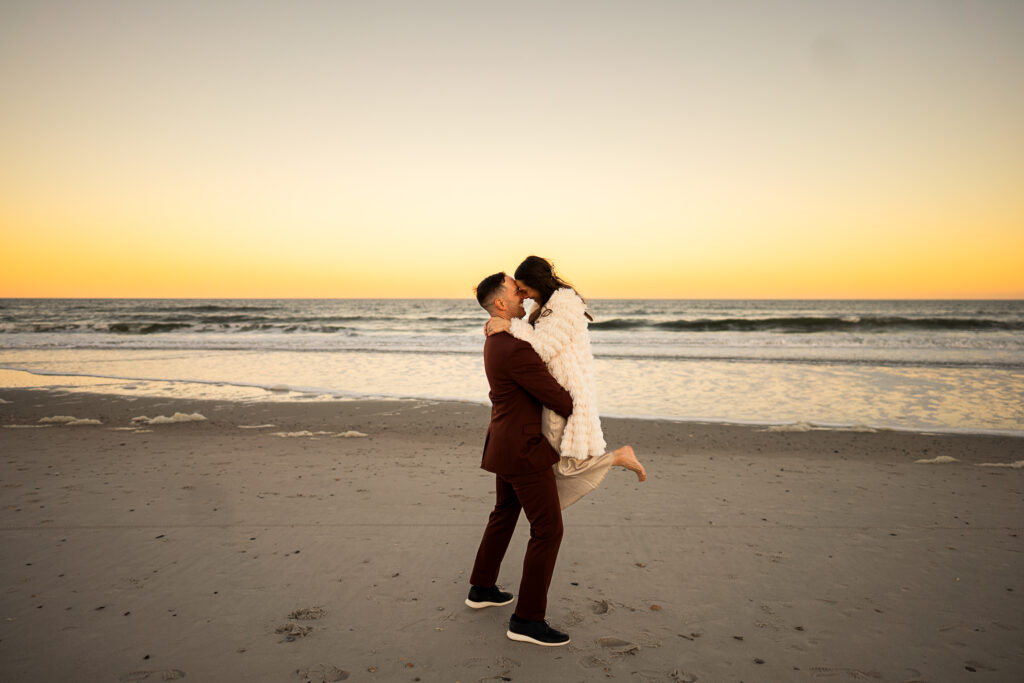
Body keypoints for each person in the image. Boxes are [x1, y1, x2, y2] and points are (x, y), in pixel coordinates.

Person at [465, 272, 574, 647]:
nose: (524, 297)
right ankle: (527, 620)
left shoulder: (498, 340)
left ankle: (481, 589)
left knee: (504, 513)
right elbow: (561, 400)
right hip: (524, 450)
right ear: (500, 303)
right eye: (516, 291)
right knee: (548, 531)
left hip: (503, 444)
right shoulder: (513, 347)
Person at [485, 256, 646, 508]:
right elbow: (532, 345)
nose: (523, 296)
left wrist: (509, 325)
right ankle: (544, 508)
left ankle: (617, 458)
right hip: (551, 389)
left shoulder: (565, 305)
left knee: (561, 462)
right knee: (552, 460)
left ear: (537, 283)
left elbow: (542, 347)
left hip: (567, 388)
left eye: (523, 289)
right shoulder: (543, 306)